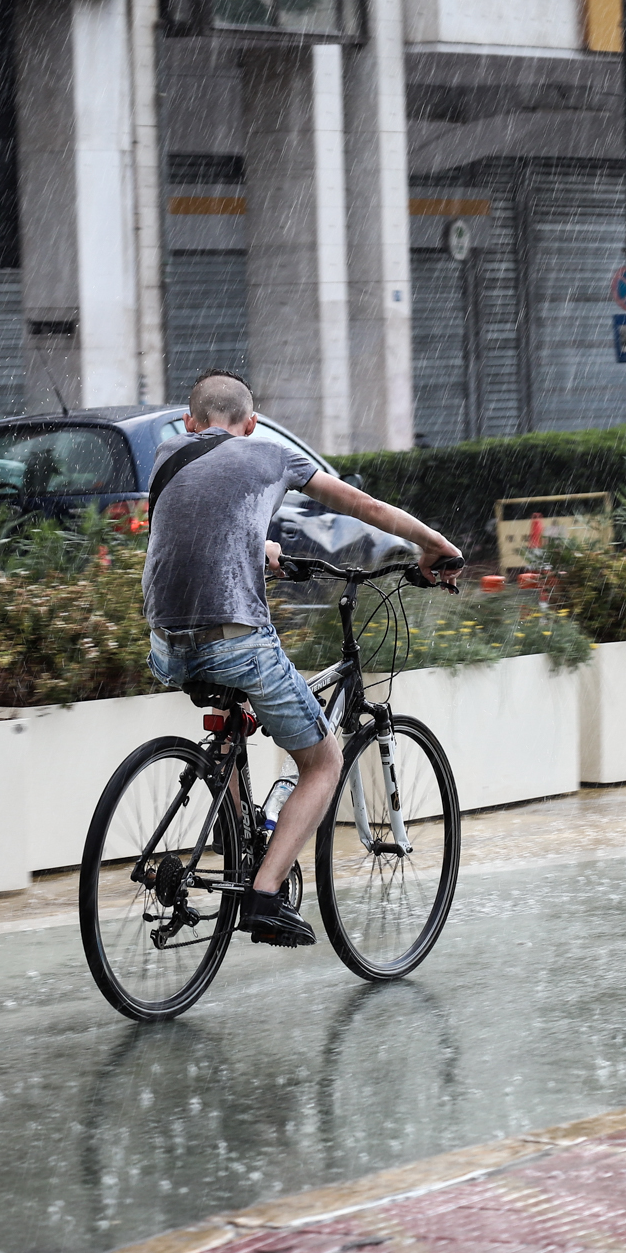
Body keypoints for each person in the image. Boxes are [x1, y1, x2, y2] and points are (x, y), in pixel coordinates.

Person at [143, 370, 462, 947]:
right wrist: (434, 545)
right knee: (324, 762)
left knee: (236, 721)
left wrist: (258, 548)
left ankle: (238, 845)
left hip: (166, 645)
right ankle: (263, 896)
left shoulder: (167, 453)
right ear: (252, 424)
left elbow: (193, 527)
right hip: (233, 639)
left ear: (190, 423)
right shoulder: (269, 453)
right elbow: (359, 504)